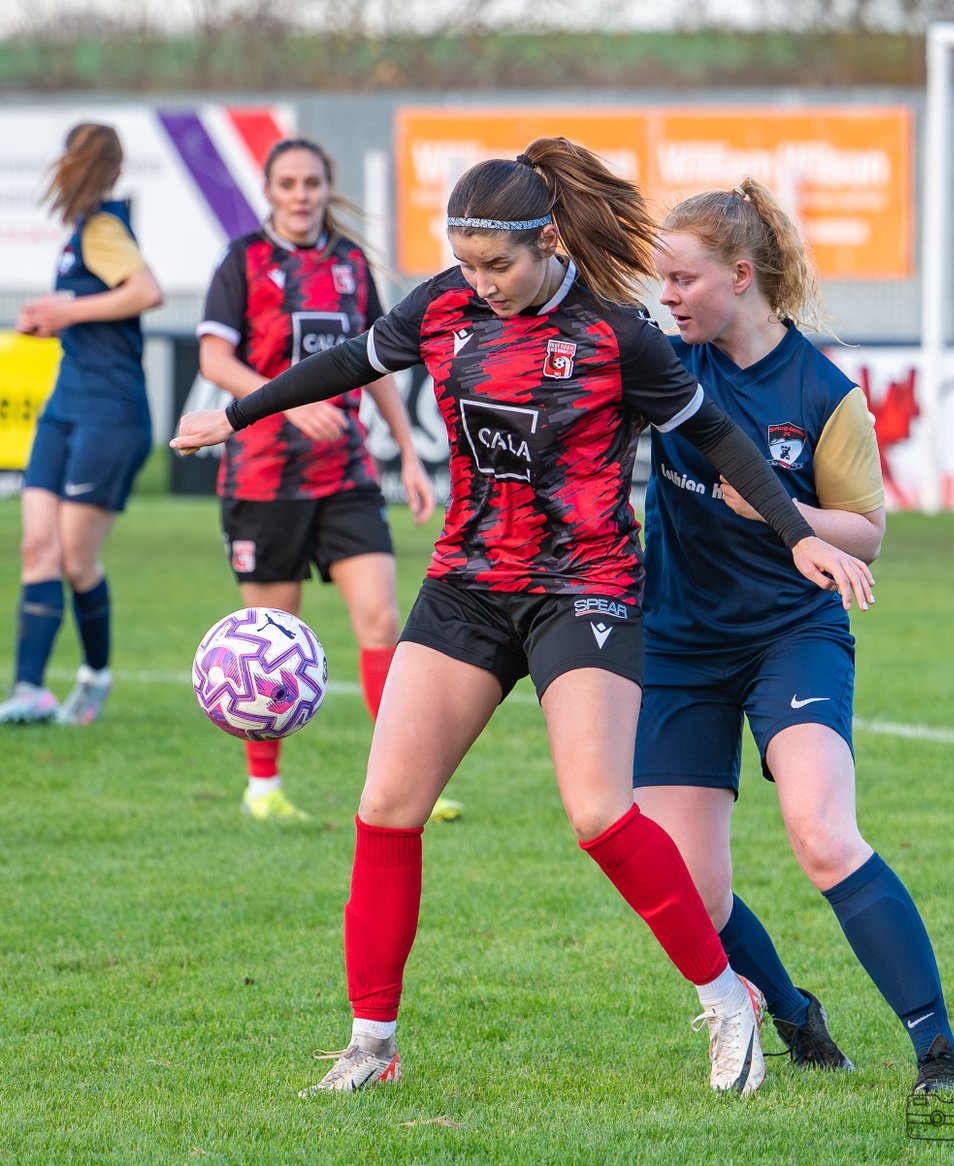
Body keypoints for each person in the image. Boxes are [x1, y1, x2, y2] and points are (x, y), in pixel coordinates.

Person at [172, 137, 875, 1097]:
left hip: (583, 586)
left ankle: (725, 1005)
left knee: (597, 813)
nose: (479, 282)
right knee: (385, 806)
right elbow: (350, 358)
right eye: (465, 263)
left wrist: (797, 532)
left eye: (495, 264)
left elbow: (716, 436)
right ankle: (372, 1047)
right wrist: (245, 409)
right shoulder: (442, 307)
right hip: (467, 583)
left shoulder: (618, 334)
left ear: (547, 242)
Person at [634, 179, 954, 1095]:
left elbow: (867, 531)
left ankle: (940, 1056)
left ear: (740, 276)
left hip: (792, 634)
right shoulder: (666, 366)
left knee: (823, 834)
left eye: (681, 279)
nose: (665, 298)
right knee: (690, 888)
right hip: (674, 643)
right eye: (659, 281)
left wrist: (780, 510)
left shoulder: (823, 392)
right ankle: (793, 1015)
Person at [196, 136, 443, 823]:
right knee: (268, 638)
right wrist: (288, 400)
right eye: (288, 183)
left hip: (346, 475)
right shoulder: (243, 261)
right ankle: (264, 788)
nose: (301, 194)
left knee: (382, 619)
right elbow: (215, 358)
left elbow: (375, 363)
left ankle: (405, 781)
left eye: (311, 182)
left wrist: (410, 453)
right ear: (270, 192)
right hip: (263, 477)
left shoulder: (350, 266)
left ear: (326, 188)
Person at [0, 123, 163, 727]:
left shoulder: (102, 226)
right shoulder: (81, 232)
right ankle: (30, 689)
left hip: (110, 411)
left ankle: (94, 679)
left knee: (74, 558)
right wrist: (55, 318)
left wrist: (66, 309)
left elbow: (146, 291)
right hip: (66, 404)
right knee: (36, 545)